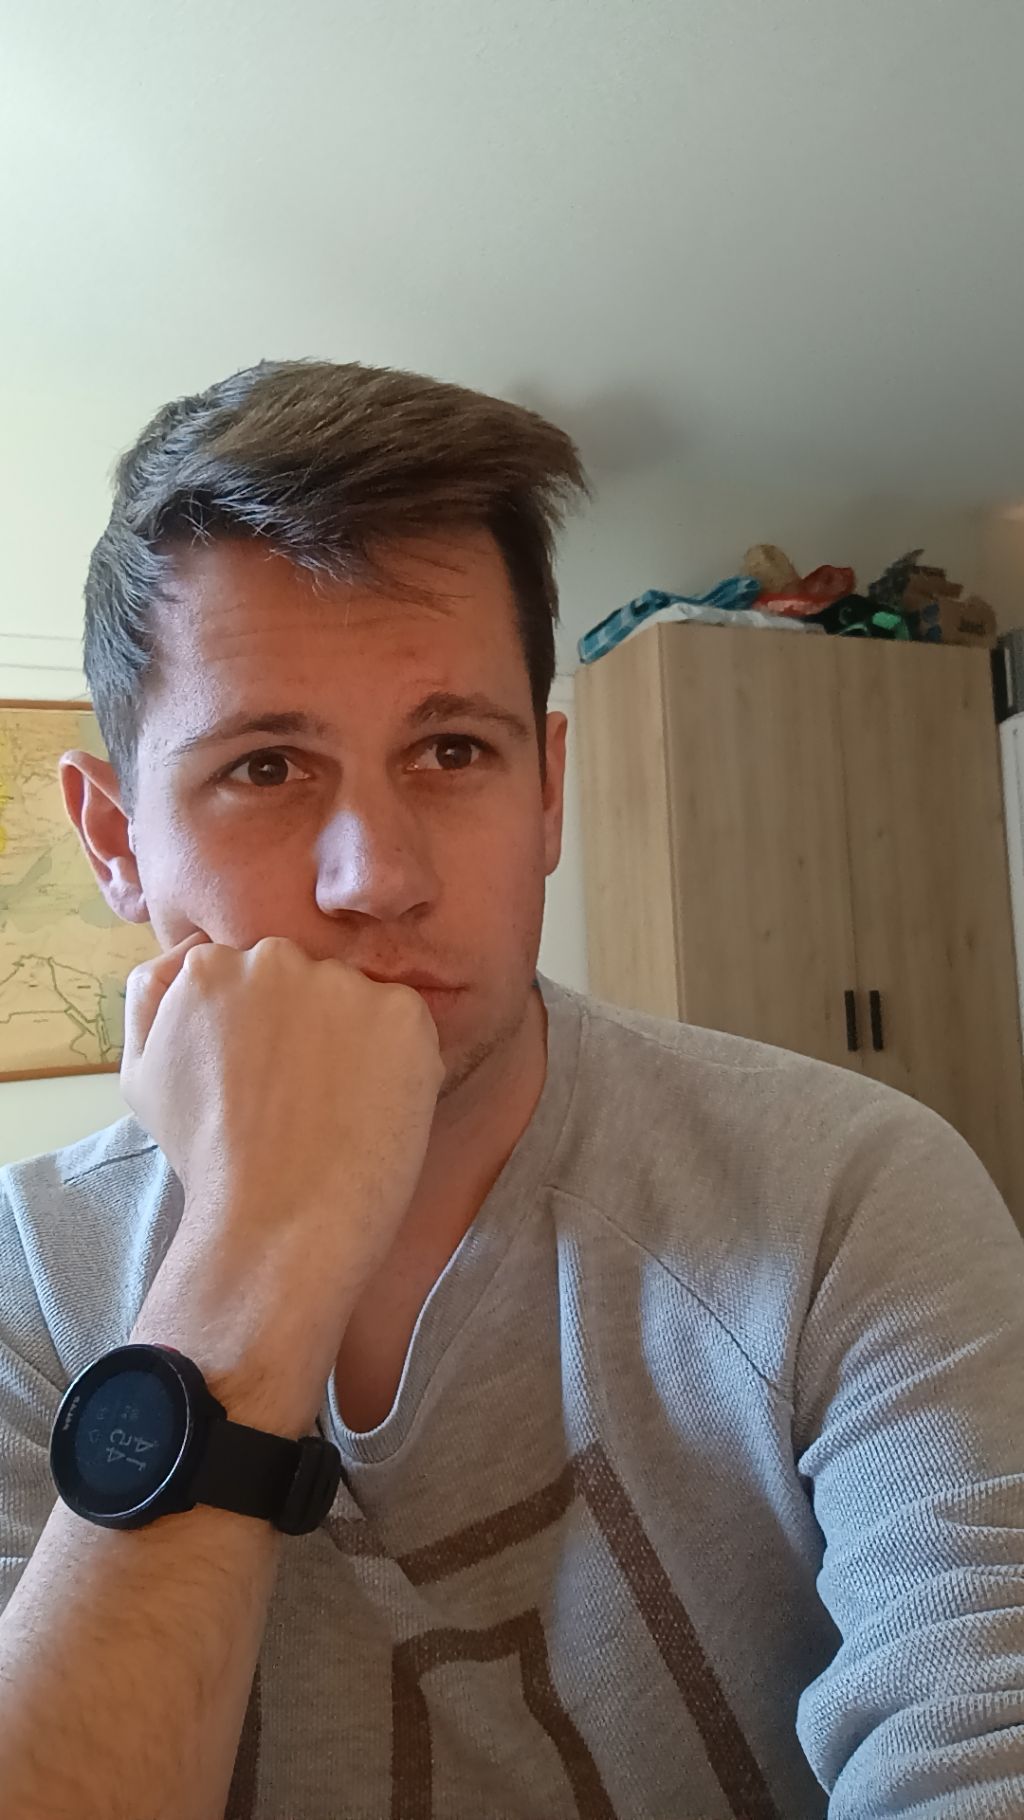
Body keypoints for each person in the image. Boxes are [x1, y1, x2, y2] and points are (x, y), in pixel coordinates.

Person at [0, 359, 1021, 1820]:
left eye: (451, 749)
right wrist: (255, 1251)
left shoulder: (850, 1196)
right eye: (267, 766)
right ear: (114, 839)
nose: (377, 877)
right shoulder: (25, 1285)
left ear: (546, 793)